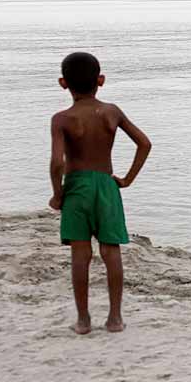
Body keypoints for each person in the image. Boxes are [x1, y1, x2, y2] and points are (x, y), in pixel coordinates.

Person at [49, 52, 152, 335]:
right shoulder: (111, 112)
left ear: (63, 83)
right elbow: (144, 143)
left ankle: (83, 320)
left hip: (77, 187)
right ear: (101, 80)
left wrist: (58, 194)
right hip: (106, 185)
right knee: (111, 250)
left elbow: (57, 162)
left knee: (80, 253)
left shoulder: (62, 119)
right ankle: (115, 318)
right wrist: (127, 179)